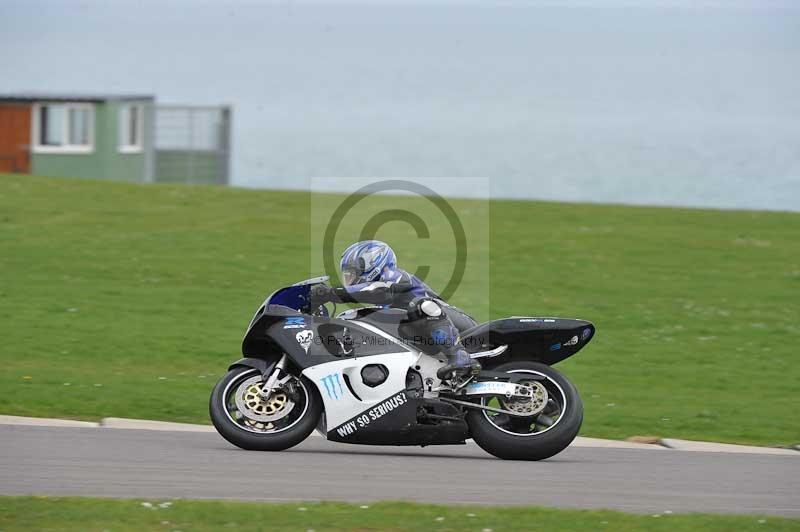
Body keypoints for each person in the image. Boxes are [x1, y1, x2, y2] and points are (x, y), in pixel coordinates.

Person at [310, 240, 480, 379]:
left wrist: (332, 293)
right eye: (347, 275)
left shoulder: (393, 276)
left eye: (353, 274)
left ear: (373, 266)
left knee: (420, 306)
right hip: (426, 337)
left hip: (460, 326)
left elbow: (377, 290)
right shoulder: (382, 302)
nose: (350, 280)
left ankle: (459, 356)